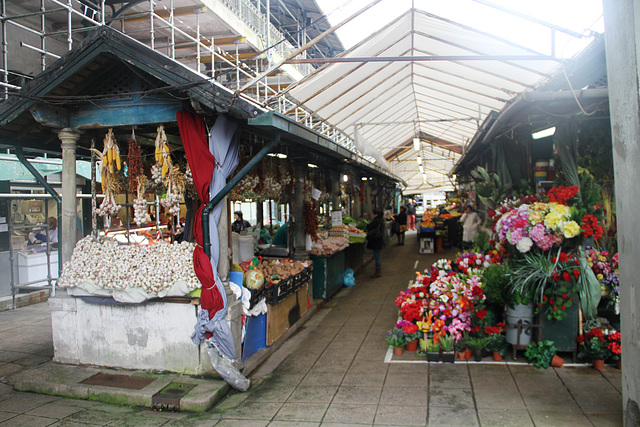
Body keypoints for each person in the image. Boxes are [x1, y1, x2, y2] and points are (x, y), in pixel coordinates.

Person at [366, 209, 385, 278]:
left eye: (372, 214)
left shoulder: (376, 221)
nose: (371, 215)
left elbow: (369, 227)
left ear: (375, 215)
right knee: (377, 255)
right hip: (379, 240)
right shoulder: (380, 220)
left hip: (376, 241)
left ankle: (378, 271)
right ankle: (378, 270)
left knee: (376, 256)